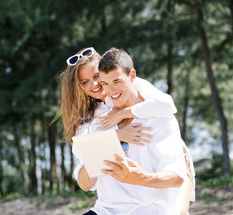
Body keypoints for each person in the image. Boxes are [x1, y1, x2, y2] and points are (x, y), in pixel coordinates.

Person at [59, 47, 195, 215]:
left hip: (152, 209)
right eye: (85, 82)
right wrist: (112, 139)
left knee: (183, 156)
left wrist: (125, 113)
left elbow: (177, 175)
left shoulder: (153, 110)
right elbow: (85, 182)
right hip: (107, 210)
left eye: (97, 77)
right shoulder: (92, 121)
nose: (96, 85)